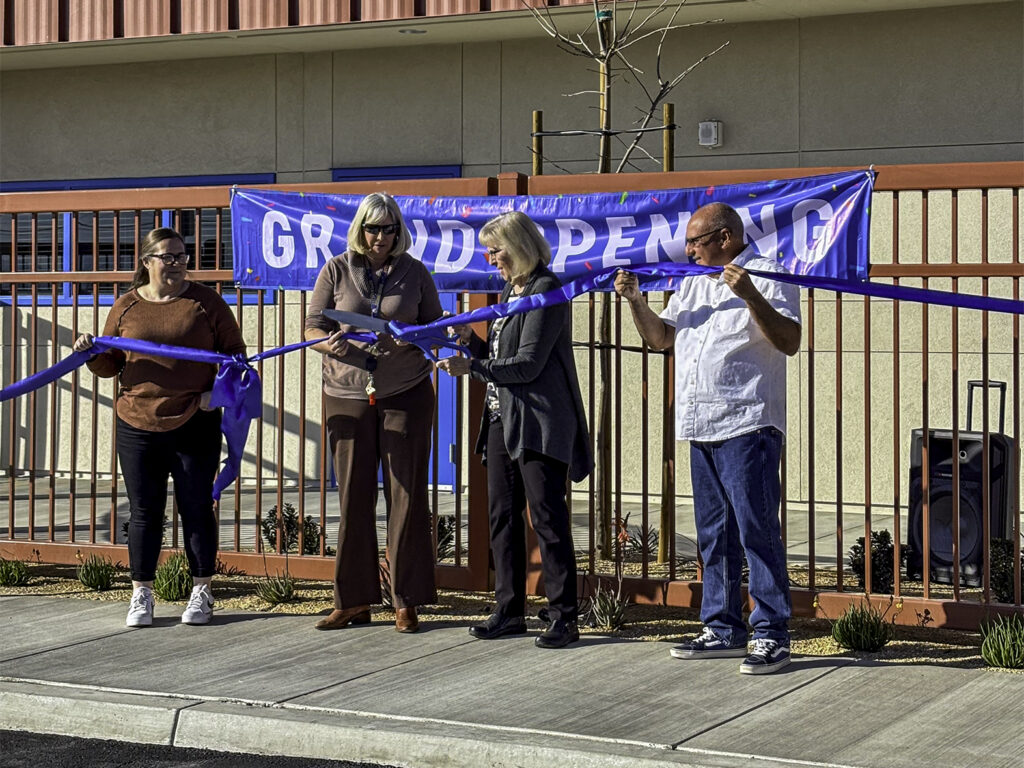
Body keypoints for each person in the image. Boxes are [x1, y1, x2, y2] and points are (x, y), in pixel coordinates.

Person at [614, 202, 801, 675]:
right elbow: (662, 339)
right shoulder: (693, 280)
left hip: (746, 421)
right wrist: (637, 300)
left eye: (696, 241)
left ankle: (771, 631)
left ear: (725, 237)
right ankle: (721, 626)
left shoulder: (768, 272)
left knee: (756, 529)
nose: (688, 249)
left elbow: (789, 340)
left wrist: (751, 295)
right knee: (713, 534)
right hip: (701, 424)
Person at [72, 226, 246, 628]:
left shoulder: (207, 304)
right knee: (144, 511)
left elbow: (236, 358)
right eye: (168, 257)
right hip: (137, 420)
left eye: (183, 256)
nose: (178, 264)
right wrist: (90, 353)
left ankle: (201, 591)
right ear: (147, 262)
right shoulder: (127, 305)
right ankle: (141, 594)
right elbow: (110, 365)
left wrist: (213, 397)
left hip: (195, 419)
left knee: (197, 506)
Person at [437, 210, 592, 649]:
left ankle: (564, 616)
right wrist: (472, 342)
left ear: (520, 246)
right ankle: (509, 609)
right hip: (501, 419)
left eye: (496, 250)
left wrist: (473, 365)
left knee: (547, 518)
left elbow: (527, 365)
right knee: (502, 517)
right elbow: (504, 358)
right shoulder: (512, 288)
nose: (491, 260)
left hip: (539, 422)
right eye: (487, 251)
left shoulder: (548, 290)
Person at [304, 192, 442, 634]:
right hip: (346, 393)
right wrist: (330, 343)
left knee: (406, 495)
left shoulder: (416, 272)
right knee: (353, 497)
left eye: (388, 229)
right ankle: (352, 601)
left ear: (399, 232)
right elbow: (312, 325)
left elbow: (435, 329)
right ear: (359, 228)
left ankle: (405, 600)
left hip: (406, 391)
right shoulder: (336, 268)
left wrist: (414, 337)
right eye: (372, 228)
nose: (380, 237)